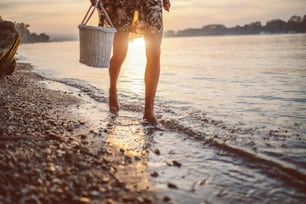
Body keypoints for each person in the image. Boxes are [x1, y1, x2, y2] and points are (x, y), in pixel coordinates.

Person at [91, 0, 171, 126]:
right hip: (122, 4)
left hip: (150, 4)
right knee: (119, 54)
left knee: (155, 53)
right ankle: (113, 91)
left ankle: (149, 113)